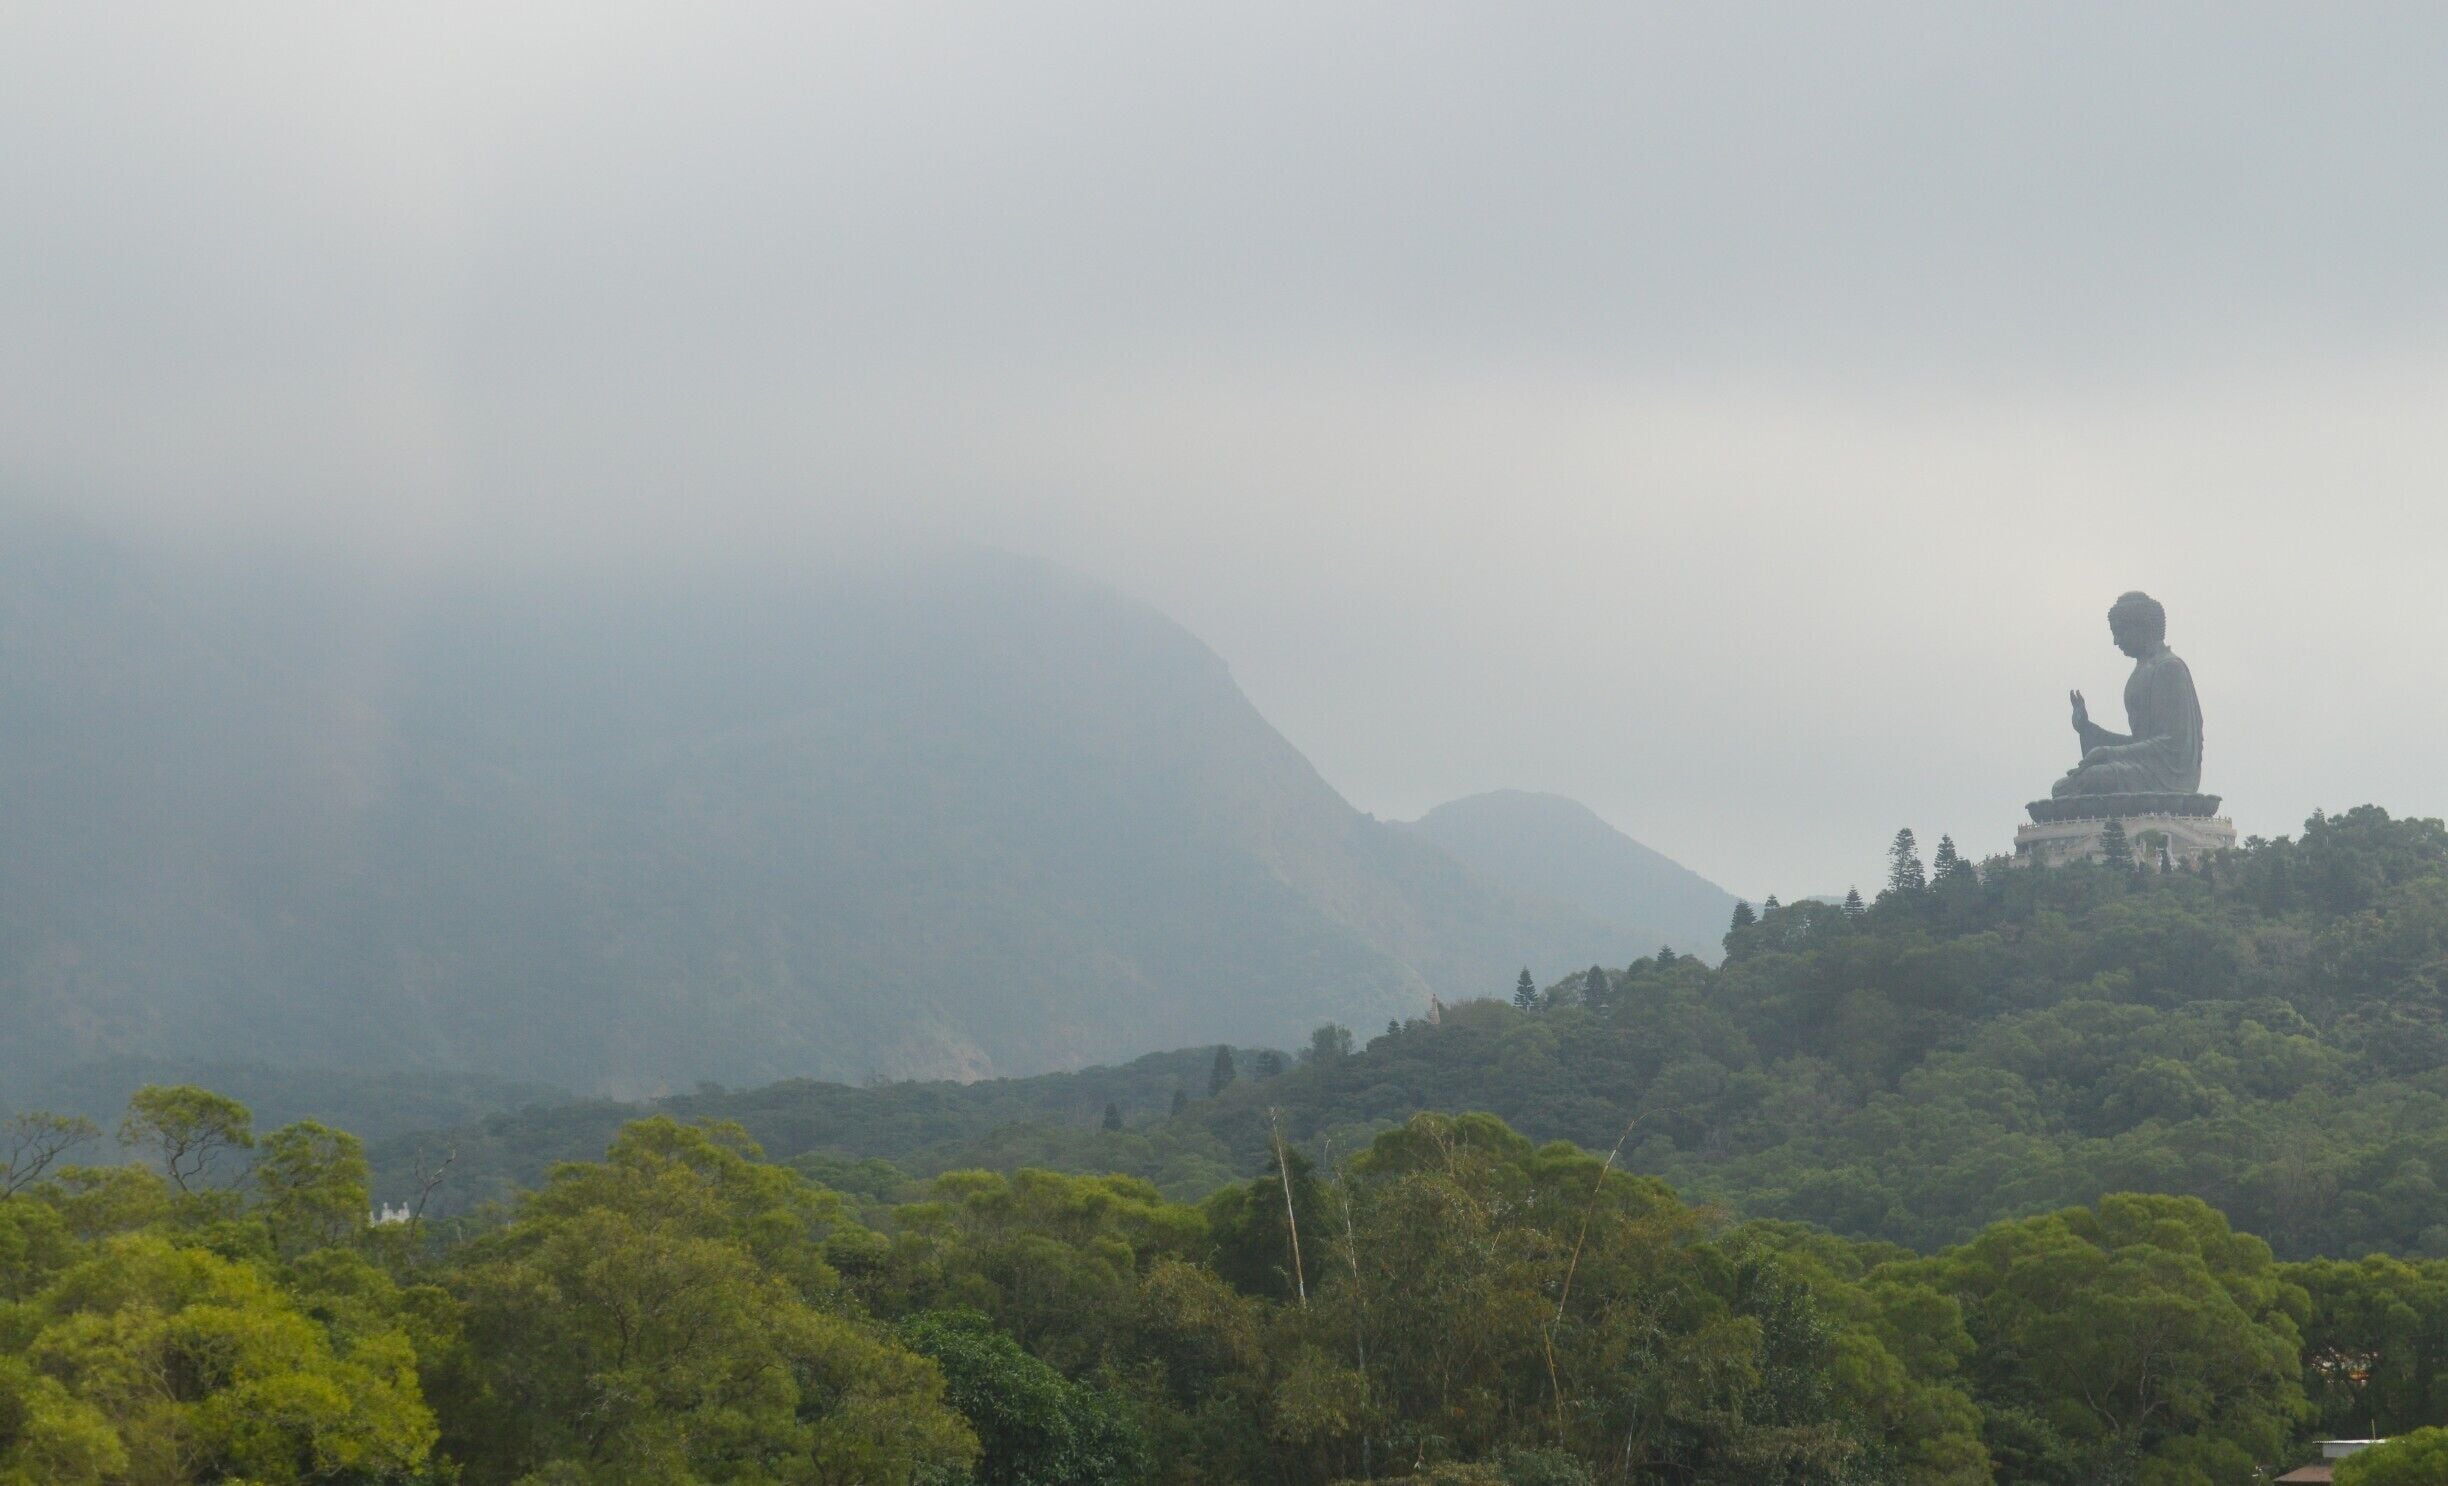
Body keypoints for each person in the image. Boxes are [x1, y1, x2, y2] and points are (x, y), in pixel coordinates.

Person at [2052, 591, 2203, 798]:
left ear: (2143, 627)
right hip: (2145, 766)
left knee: (2090, 780)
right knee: (2062, 788)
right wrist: (2087, 730)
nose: (2116, 641)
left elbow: (2173, 744)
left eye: (2121, 632)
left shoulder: (2169, 668)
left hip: (2168, 776)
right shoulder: (2142, 670)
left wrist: (2109, 753)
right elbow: (2140, 742)